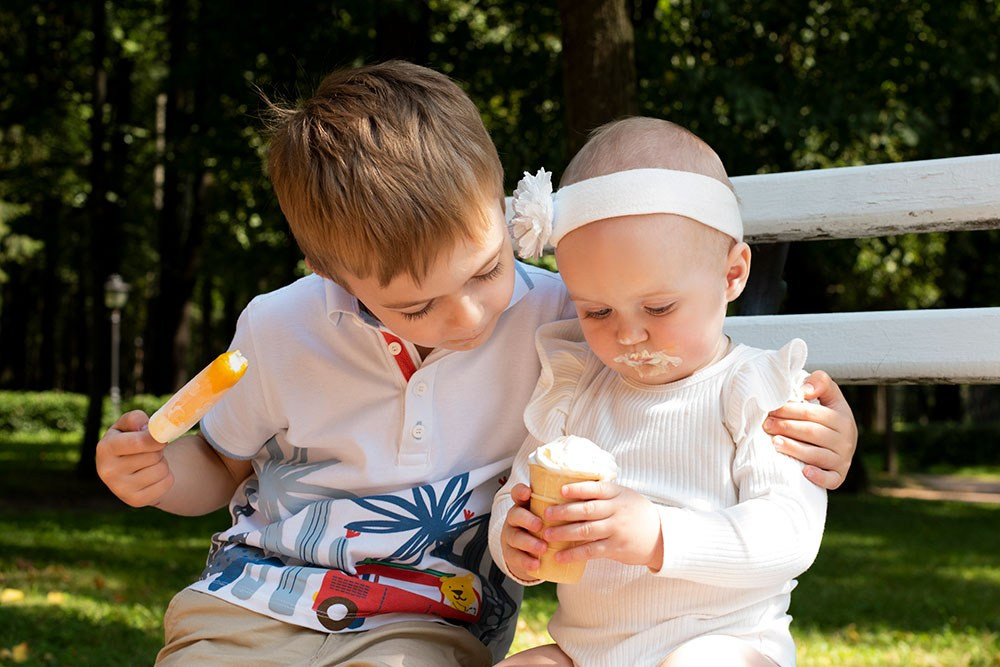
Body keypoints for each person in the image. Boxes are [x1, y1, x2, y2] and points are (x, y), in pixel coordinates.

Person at [94, 62, 854, 667]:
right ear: (332, 273)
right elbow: (219, 465)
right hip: (253, 596)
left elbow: (696, 358)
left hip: (423, 619)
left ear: (503, 211)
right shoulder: (280, 327)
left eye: (488, 268)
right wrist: (159, 476)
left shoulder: (566, 319)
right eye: (417, 305)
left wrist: (829, 428)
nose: (467, 317)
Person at [491, 117, 830, 667]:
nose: (628, 334)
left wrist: (657, 535)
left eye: (658, 307)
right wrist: (515, 540)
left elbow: (790, 534)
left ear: (732, 274)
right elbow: (516, 493)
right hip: (587, 652)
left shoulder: (755, 389)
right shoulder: (576, 387)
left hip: (724, 642)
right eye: (597, 311)